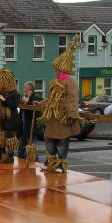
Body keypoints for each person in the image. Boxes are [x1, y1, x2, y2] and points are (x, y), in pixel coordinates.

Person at [38, 35, 80, 173]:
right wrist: (42, 103)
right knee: (49, 138)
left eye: (57, 69)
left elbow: (73, 98)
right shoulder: (54, 81)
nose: (55, 70)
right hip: (52, 118)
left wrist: (72, 114)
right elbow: (50, 98)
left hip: (63, 117)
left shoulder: (70, 81)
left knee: (62, 140)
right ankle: (51, 160)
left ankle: (61, 163)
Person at [0, 69, 22, 164]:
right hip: (0, 119)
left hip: (10, 120)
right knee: (0, 136)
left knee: (10, 138)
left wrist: (4, 100)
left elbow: (13, 105)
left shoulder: (15, 93)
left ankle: (10, 157)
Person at [18, 81, 42, 160]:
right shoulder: (23, 96)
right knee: (21, 149)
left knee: (31, 150)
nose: (23, 89)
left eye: (25, 87)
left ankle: (36, 164)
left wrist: (28, 101)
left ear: (29, 88)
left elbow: (39, 105)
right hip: (23, 128)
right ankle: (21, 165)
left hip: (31, 128)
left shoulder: (36, 97)